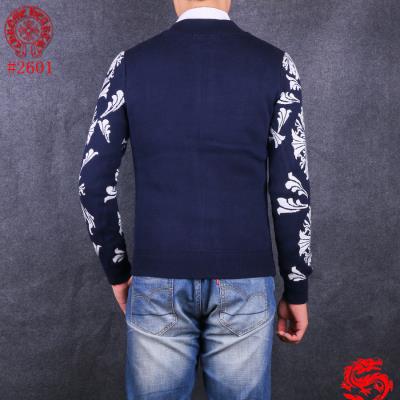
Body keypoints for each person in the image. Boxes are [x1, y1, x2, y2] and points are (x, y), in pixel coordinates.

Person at [78, 0, 313, 398]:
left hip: (157, 275)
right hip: (245, 278)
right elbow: (292, 188)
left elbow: (93, 182)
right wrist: (296, 287)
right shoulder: (277, 66)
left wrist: (118, 271)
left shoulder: (129, 66)